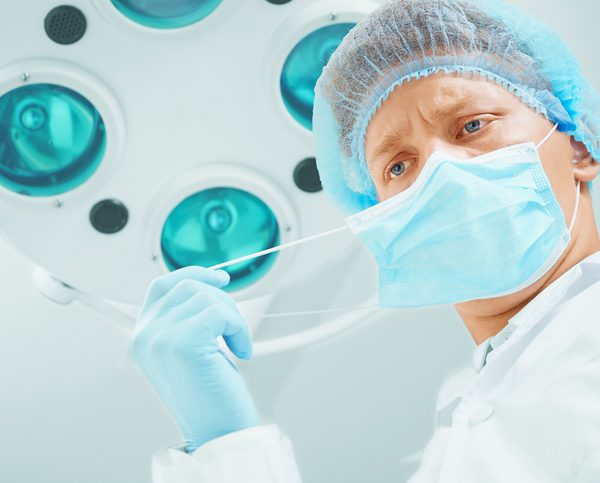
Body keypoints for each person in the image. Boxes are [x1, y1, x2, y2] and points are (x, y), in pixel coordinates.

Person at [130, 0, 600, 481]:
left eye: (472, 124)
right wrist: (221, 441)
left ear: (579, 145)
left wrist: (227, 445)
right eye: (398, 166)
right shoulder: (477, 409)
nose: (439, 170)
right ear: (386, 224)